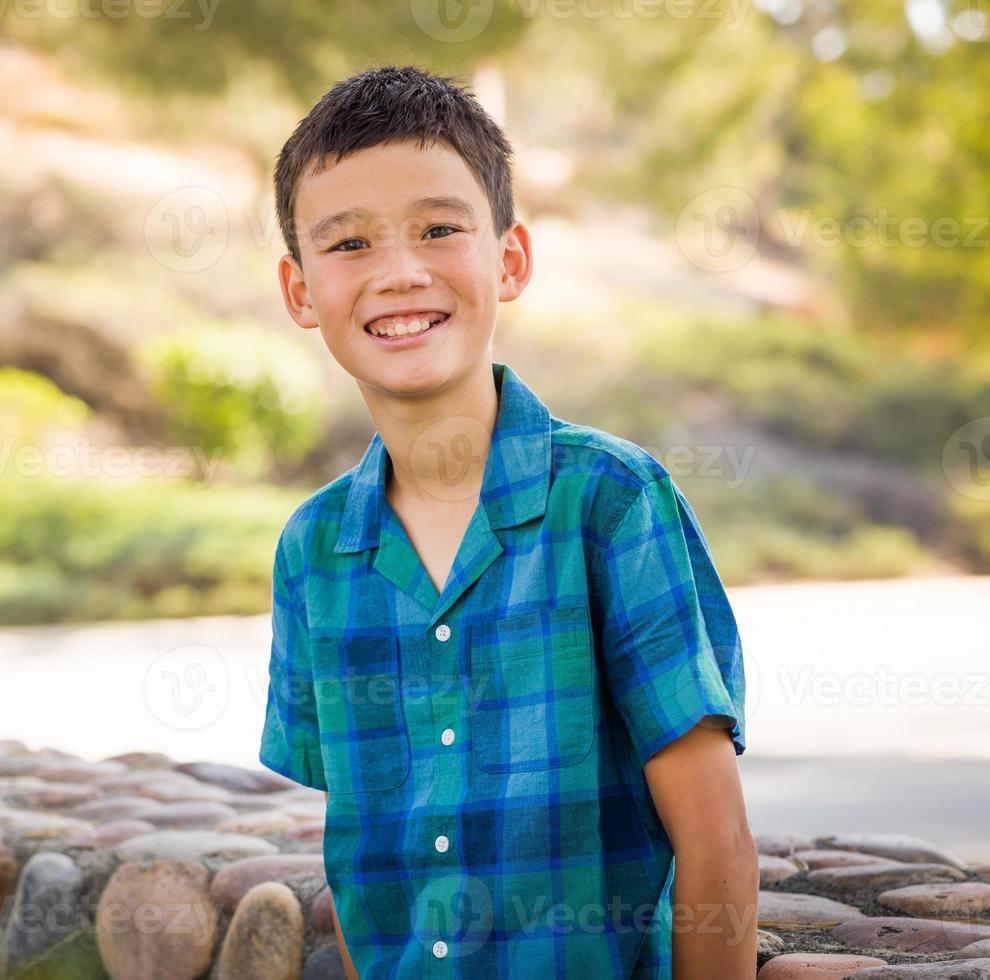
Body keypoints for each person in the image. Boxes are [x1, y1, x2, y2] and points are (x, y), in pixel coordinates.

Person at [257, 65, 757, 979]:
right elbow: (364, 856)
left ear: (510, 259)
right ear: (300, 292)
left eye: (440, 230)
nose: (400, 272)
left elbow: (717, 842)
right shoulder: (313, 552)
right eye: (350, 244)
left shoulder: (610, 503)